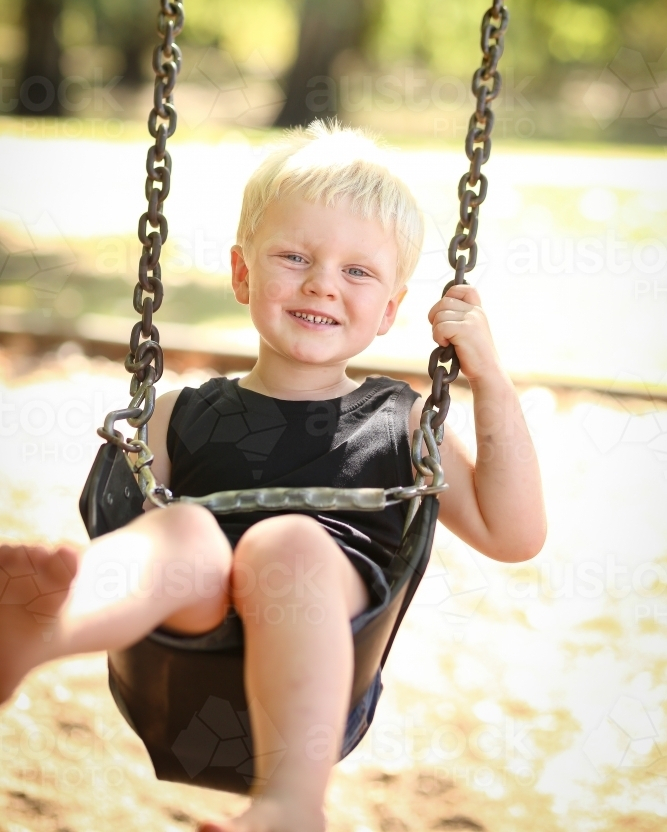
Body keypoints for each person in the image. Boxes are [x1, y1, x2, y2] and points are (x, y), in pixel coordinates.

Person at [0, 121, 546, 832]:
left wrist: (490, 379)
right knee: (185, 532)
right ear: (241, 274)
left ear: (388, 310)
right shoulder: (176, 414)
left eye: (357, 271)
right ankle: (37, 631)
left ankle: (291, 805)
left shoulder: (403, 420)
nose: (321, 282)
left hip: (323, 616)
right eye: (293, 256)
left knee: (283, 545)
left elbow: (515, 533)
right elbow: (121, 522)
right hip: (186, 639)